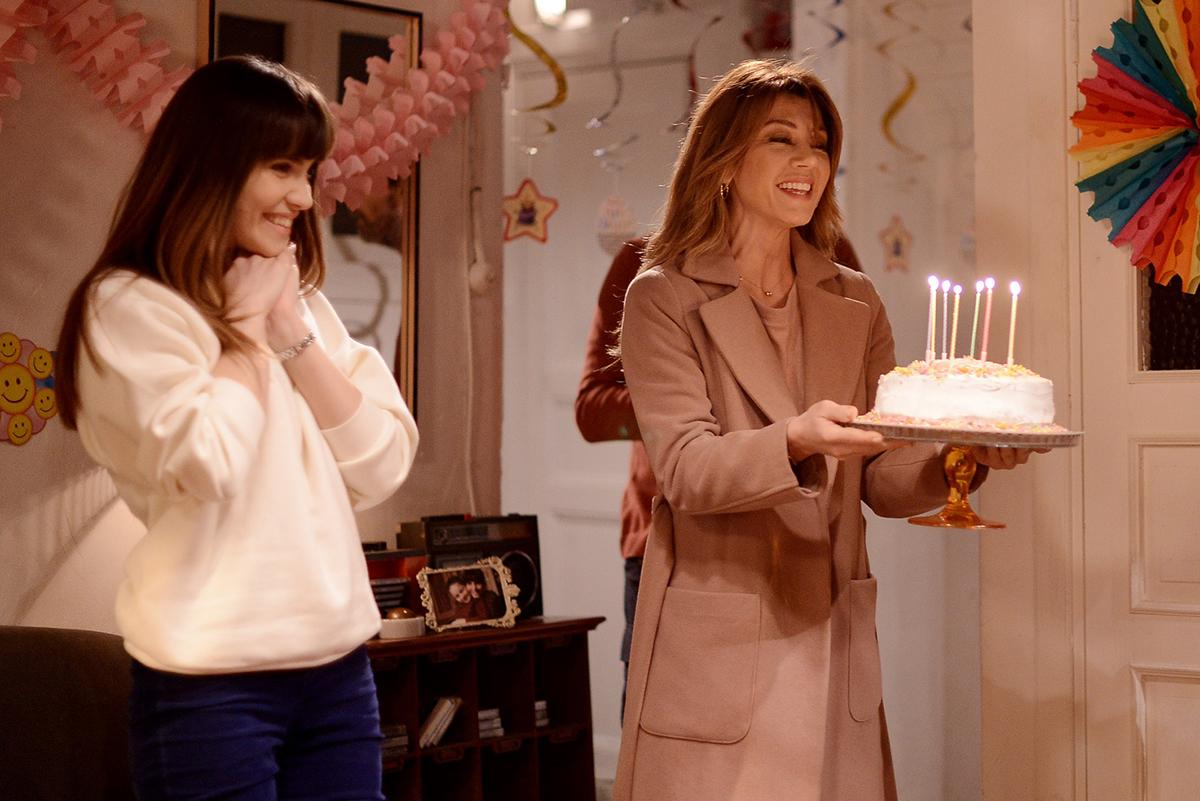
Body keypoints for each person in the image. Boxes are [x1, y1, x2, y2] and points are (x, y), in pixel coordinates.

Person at [612, 59, 1036, 801]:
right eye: (781, 139)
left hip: (833, 635)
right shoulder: (662, 296)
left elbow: (884, 478)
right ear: (723, 158)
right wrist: (796, 440)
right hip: (722, 649)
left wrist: (959, 458)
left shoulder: (855, 299)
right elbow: (685, 469)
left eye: (818, 143)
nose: (807, 160)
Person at [54, 56, 418, 801]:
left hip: (338, 672)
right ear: (212, 166)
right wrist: (249, 331)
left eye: (308, 171)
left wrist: (291, 334)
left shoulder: (296, 303)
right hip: (210, 684)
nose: (303, 196)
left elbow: (383, 463)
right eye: (281, 167)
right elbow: (207, 461)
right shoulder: (129, 306)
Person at [576, 234, 863, 719]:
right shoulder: (647, 264)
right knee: (671, 726)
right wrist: (701, 398)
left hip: (808, 536)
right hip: (677, 541)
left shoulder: (831, 258)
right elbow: (592, 412)